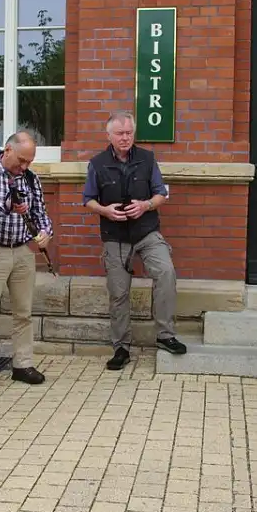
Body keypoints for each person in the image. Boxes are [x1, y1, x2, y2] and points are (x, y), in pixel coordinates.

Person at [83, 111, 187, 371]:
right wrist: (105, 210)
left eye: (129, 132)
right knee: (119, 294)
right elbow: (88, 199)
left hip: (147, 231)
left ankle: (165, 336)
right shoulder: (96, 164)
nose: (125, 138)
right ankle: (121, 347)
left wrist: (146, 205)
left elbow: (161, 193)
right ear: (109, 135)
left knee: (166, 273)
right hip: (114, 236)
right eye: (120, 133)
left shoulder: (148, 159)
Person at [0, 131, 53, 392]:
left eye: (29, 161)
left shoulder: (30, 178)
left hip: (22, 251)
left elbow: (40, 211)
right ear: (7, 150)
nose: (25, 166)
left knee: (24, 313)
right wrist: (5, 206)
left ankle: (22, 364)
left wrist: (46, 233)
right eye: (22, 160)